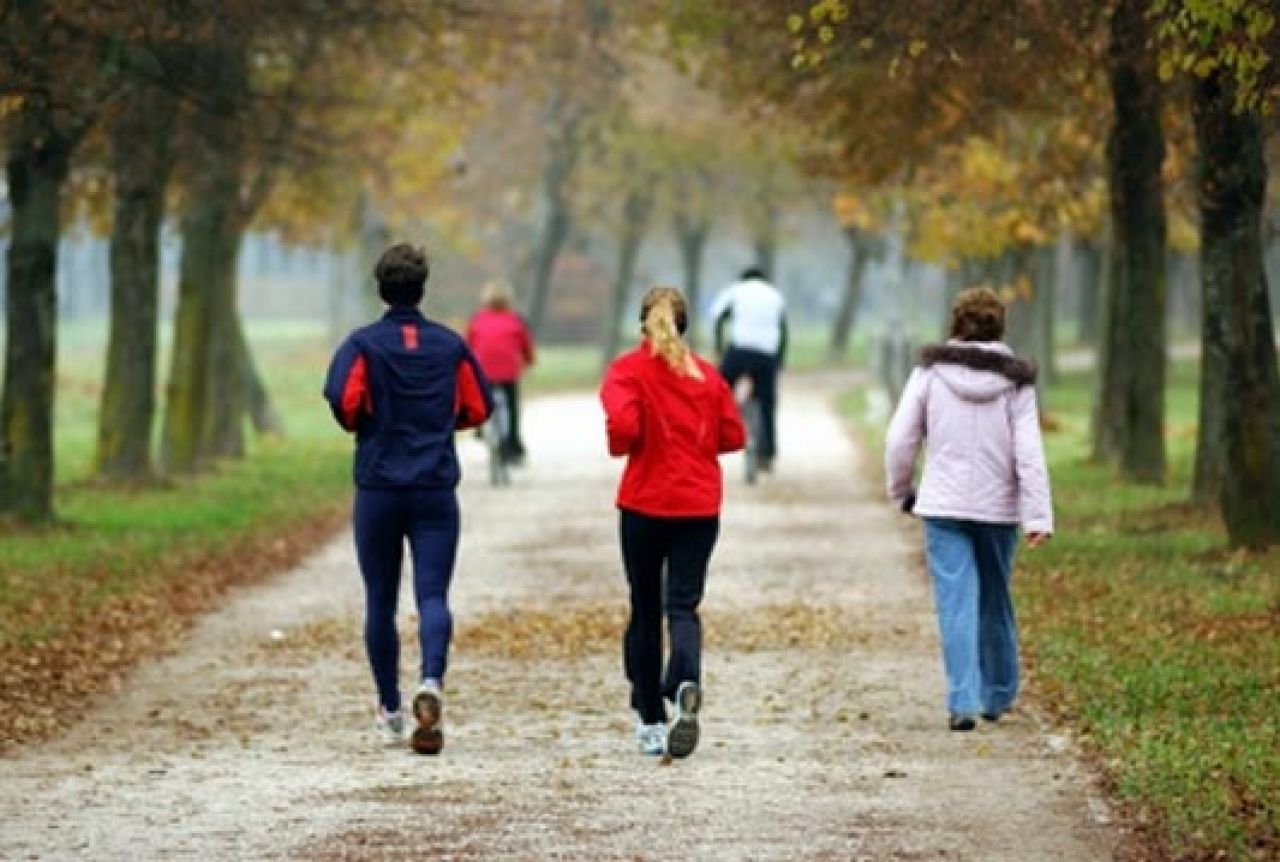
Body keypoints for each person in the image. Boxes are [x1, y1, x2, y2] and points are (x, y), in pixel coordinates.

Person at [323, 243, 492, 754]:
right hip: (434, 486)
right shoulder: (450, 345)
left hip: (378, 485)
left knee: (380, 599)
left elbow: (341, 397)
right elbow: (479, 406)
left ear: (382, 288)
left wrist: (363, 426)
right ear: (422, 288)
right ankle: (432, 682)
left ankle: (391, 709)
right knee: (433, 595)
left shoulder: (362, 345)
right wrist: (445, 424)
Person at [883, 286, 1053, 732]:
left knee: (956, 601)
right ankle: (998, 695)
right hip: (997, 510)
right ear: (1000, 326)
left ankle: (962, 700)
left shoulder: (930, 375)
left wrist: (902, 489)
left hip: (943, 504)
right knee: (995, 598)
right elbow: (1029, 451)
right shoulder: (1016, 383)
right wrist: (1038, 515)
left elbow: (900, 438)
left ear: (955, 324)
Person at [599, 286, 746, 758]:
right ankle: (684, 681)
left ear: (643, 323)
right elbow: (733, 434)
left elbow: (623, 432)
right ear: (683, 325)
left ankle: (650, 719)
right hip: (699, 508)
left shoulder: (626, 371)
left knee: (644, 610)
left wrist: (632, 443)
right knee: (681, 607)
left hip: (644, 505)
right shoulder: (706, 375)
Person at [709, 266, 787, 471]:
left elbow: (718, 319)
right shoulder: (774, 295)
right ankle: (767, 453)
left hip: (739, 351)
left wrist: (718, 349)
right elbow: (783, 330)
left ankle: (708, 440)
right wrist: (779, 360)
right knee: (767, 402)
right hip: (766, 354)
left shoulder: (736, 290)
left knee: (717, 393)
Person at [465, 281, 536, 463]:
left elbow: (468, 345)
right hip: (508, 372)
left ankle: (480, 427)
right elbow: (526, 347)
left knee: (480, 398)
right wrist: (528, 361)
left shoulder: (477, 319)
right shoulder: (515, 320)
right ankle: (512, 444)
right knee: (512, 406)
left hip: (483, 371)